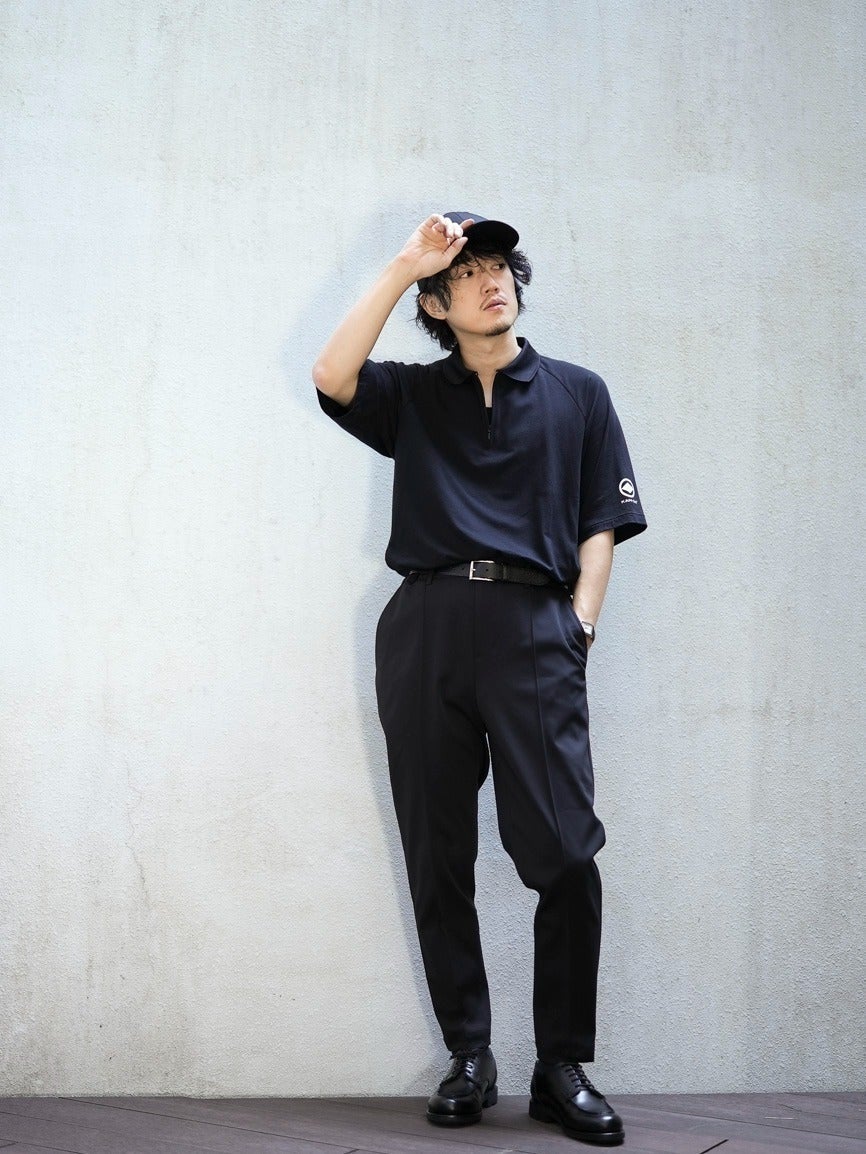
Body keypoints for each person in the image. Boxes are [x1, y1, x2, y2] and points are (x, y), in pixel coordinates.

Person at [312, 212, 646, 1147]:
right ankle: (470, 1054)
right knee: (437, 850)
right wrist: (404, 265)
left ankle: (560, 1066)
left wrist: (580, 622)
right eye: (467, 273)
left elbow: (601, 519)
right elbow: (331, 375)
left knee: (566, 851)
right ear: (436, 304)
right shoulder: (413, 395)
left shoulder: (579, 393)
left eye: (499, 266)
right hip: (425, 624)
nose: (492, 281)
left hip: (534, 627)